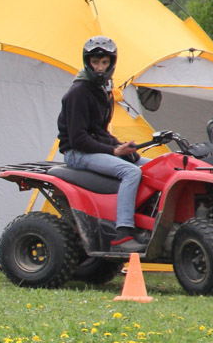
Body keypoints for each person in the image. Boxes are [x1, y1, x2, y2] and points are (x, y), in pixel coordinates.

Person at [57, 36, 149, 252]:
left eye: (104, 63)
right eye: (95, 62)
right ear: (87, 62)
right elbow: (78, 138)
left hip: (91, 148)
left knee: (149, 166)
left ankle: (145, 224)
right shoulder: (79, 92)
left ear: (112, 63)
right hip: (76, 153)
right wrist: (114, 150)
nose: (100, 68)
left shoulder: (102, 89)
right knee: (131, 173)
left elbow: (98, 130)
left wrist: (122, 147)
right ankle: (123, 233)